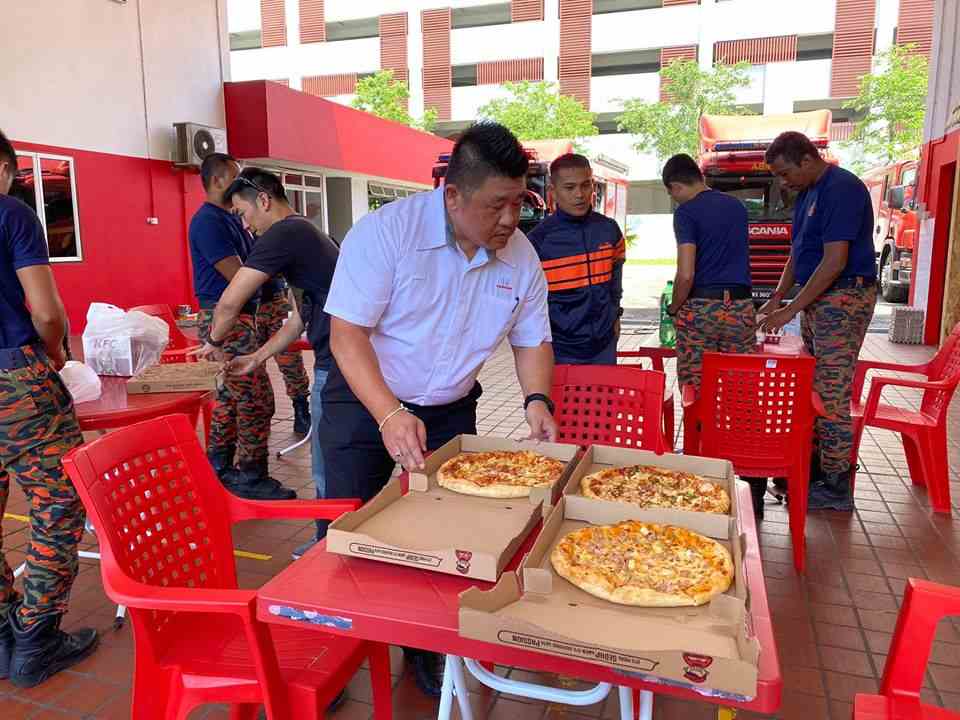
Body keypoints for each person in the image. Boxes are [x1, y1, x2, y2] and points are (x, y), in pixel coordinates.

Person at [320, 122, 557, 697]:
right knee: (346, 530)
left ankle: (424, 650)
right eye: (496, 205)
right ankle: (332, 651)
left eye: (519, 204)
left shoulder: (520, 255)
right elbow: (346, 335)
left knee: (445, 538)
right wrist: (387, 414)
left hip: (451, 412)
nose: (509, 220)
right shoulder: (386, 235)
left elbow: (532, 339)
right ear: (452, 195)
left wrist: (536, 399)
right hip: (365, 403)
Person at [195, 167, 339, 560]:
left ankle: (329, 543)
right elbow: (298, 320)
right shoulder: (304, 234)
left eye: (244, 213)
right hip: (339, 354)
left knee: (328, 459)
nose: (245, 225)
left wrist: (212, 341)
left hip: (340, 359)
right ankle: (331, 537)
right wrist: (257, 356)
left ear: (263, 200)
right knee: (331, 454)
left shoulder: (285, 233)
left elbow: (230, 300)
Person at [0, 129, 98, 687]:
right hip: (15, 378)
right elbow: (46, 310)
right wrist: (57, 353)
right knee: (58, 503)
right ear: (7, 170)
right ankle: (35, 637)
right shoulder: (11, 214)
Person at [759, 131, 877, 512]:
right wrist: (777, 298)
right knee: (812, 387)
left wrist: (791, 310)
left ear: (807, 160)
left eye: (783, 173)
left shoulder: (841, 189)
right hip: (821, 302)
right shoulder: (808, 193)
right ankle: (812, 470)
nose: (782, 182)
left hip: (844, 298)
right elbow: (797, 255)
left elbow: (834, 261)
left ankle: (836, 485)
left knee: (831, 394)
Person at [189, 154, 293, 501]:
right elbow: (238, 277)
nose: (240, 185)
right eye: (234, 177)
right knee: (255, 399)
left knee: (231, 400)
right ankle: (249, 473)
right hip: (226, 318)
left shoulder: (229, 219)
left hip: (242, 317)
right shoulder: (208, 222)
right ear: (218, 180)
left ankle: (220, 466)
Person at [661, 154, 762, 511]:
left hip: (701, 307)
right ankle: (751, 479)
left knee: (696, 387)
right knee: (741, 389)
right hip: (740, 307)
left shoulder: (686, 212)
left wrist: (675, 308)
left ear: (675, 186)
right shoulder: (735, 207)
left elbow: (686, 272)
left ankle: (700, 468)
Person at [527, 153, 625, 364]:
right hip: (559, 349)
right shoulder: (537, 242)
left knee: (605, 398)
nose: (579, 194)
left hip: (604, 345)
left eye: (586, 185)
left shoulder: (609, 230)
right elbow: (529, 302)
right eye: (569, 188)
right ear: (553, 192)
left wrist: (616, 313)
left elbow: (616, 280)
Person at [256, 276, 312, 435]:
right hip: (246, 305)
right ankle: (257, 418)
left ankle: (301, 410)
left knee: (291, 361)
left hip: (275, 299)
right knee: (252, 368)